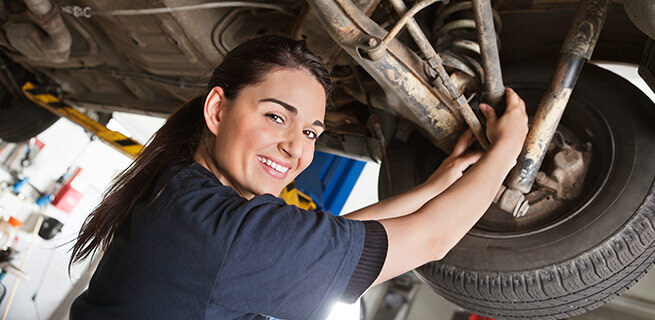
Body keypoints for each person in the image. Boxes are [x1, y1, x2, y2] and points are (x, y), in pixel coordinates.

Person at [68, 35, 528, 320]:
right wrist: (508, 149)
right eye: (275, 116)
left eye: (310, 131)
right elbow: (429, 241)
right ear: (216, 109)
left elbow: (338, 241)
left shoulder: (181, 195)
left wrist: (436, 184)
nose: (295, 147)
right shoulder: (223, 232)